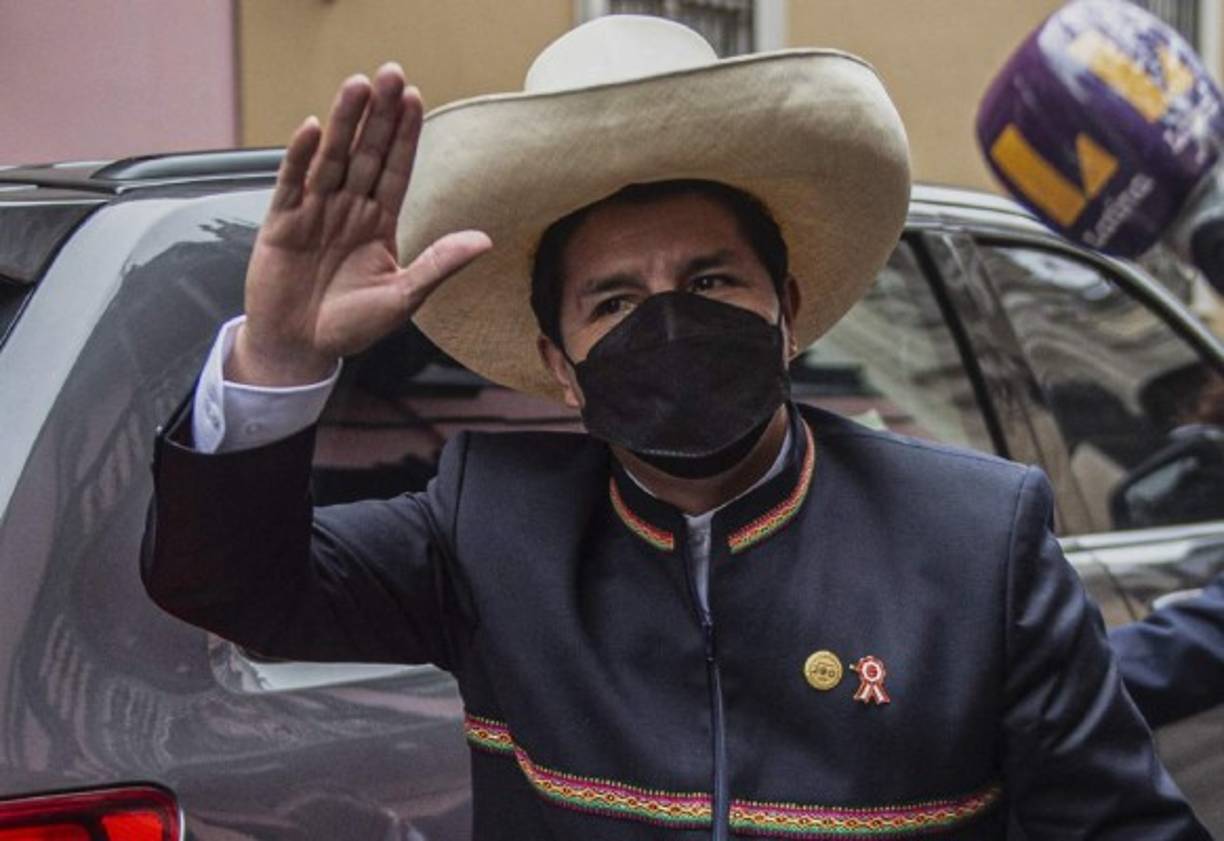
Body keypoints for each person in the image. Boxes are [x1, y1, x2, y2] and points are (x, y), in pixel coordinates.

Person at [141, 16, 1210, 840]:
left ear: (787, 312)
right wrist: (280, 354)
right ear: (560, 367)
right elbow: (233, 585)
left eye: (709, 279)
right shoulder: (488, 527)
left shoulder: (977, 540)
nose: (669, 322)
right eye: (612, 302)